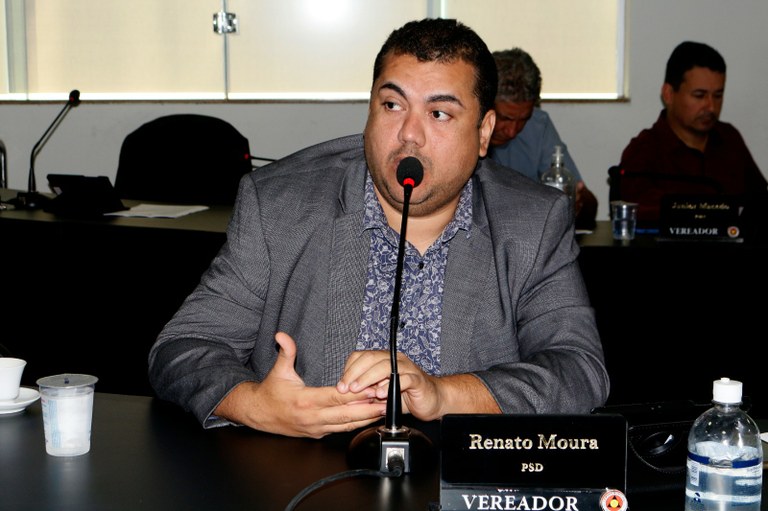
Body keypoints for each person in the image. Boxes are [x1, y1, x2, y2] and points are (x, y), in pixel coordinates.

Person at [148, 18, 609, 439]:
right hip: (304, 474)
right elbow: (182, 348)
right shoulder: (279, 204)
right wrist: (257, 405)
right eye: (391, 105)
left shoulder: (532, 221)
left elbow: (579, 369)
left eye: (439, 113)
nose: (409, 133)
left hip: (457, 479)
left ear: (484, 131)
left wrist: (445, 395)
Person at [618, 41, 768, 226]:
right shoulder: (644, 152)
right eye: (699, 95)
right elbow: (637, 216)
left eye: (718, 95)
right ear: (668, 94)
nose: (711, 107)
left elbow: (761, 202)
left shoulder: (729, 139)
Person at [488, 48, 598, 230]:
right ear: (483, 104)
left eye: (523, 119)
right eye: (505, 118)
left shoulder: (538, 126)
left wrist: (578, 202)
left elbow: (588, 204)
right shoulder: (459, 128)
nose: (512, 131)